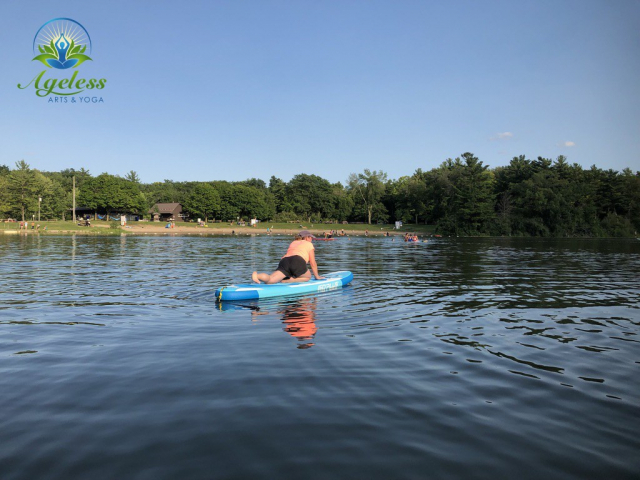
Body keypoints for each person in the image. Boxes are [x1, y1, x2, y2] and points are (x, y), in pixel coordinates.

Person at [252, 230, 325, 284]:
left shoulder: (293, 242)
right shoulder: (309, 244)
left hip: (284, 261)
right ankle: (291, 280)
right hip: (297, 260)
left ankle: (257, 276)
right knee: (307, 277)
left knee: (270, 280)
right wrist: (317, 276)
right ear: (306, 238)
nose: (311, 240)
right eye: (311, 238)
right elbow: (312, 263)